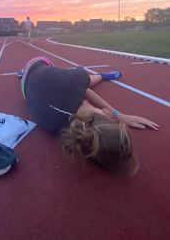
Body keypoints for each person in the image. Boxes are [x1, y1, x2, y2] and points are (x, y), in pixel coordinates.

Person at [18, 57, 159, 176]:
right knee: (84, 82)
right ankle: (103, 75)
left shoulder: (75, 79)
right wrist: (120, 115)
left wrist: (119, 115)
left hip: (37, 63)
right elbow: (83, 91)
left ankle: (102, 75)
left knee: (85, 79)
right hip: (25, 90)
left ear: (108, 115)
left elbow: (83, 88)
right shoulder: (61, 131)